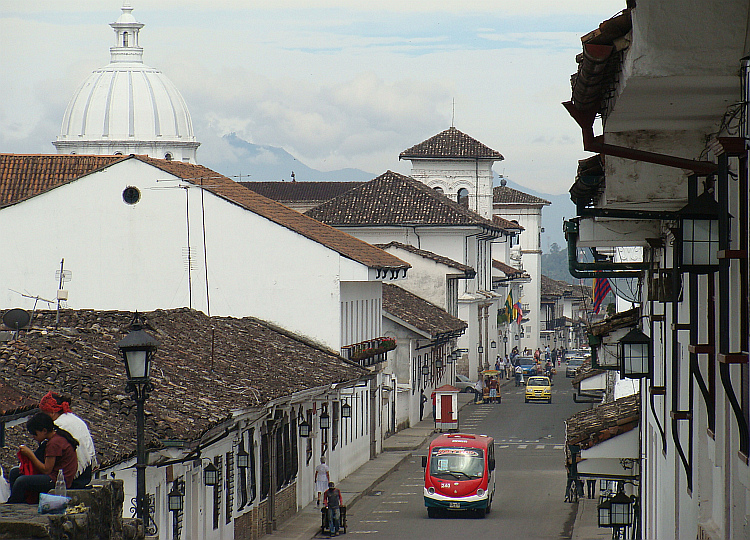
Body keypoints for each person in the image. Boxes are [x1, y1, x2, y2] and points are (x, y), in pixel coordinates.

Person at [7, 413, 78, 504]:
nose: (33, 437)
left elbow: (46, 470)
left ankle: (14, 505)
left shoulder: (54, 443)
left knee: (21, 481)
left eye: (35, 434)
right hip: (55, 475)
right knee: (15, 472)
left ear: (44, 431)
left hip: (57, 480)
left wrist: (30, 454)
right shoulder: (56, 437)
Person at [39, 392, 97, 488]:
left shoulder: (58, 426)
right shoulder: (75, 419)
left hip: (72, 476)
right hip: (86, 471)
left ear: (52, 412)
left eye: (44, 413)